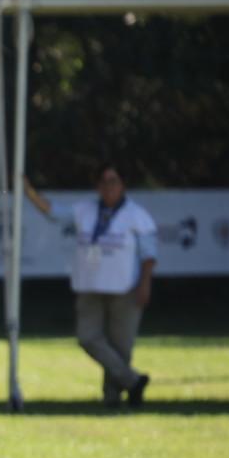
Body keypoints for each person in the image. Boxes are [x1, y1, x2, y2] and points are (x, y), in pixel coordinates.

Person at [25, 163, 157, 407]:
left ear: (123, 185)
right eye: (104, 182)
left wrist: (144, 284)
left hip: (124, 288)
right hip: (89, 286)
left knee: (120, 347)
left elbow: (149, 255)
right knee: (87, 337)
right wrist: (29, 192)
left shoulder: (137, 215)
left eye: (114, 181)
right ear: (97, 186)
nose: (109, 187)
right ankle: (133, 381)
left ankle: (112, 397)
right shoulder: (84, 210)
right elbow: (53, 212)